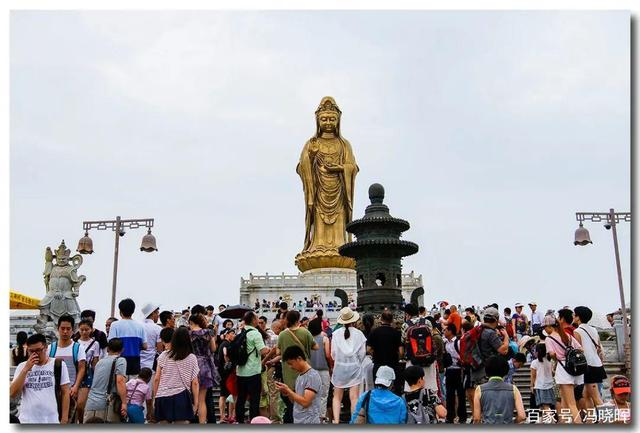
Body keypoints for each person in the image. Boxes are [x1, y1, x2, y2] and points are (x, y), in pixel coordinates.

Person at [10, 333, 70, 424]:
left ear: (45, 348)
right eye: (31, 351)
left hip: (51, 420)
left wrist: (64, 419)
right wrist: (26, 369)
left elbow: (65, 392)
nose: (35, 354)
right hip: (27, 420)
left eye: (38, 350)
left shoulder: (58, 364)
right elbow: (12, 393)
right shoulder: (22, 367)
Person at [276, 309, 318, 423]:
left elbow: (277, 352)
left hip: (288, 374)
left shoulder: (282, 334)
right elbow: (316, 347)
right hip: (304, 371)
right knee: (305, 402)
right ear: (298, 320)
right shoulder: (305, 332)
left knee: (290, 404)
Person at [153, 327, 200, 424]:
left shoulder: (163, 355)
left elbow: (157, 379)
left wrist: (155, 397)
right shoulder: (191, 357)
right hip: (181, 396)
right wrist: (196, 403)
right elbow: (195, 383)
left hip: (162, 396)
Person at [543, 314, 583, 424]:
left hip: (563, 369)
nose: (544, 330)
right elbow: (581, 349)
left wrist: (557, 357)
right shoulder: (567, 336)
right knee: (565, 401)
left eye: (545, 327)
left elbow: (552, 354)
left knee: (571, 404)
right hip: (574, 369)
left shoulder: (549, 338)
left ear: (550, 327)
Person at [331, 307, 366, 424]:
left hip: (339, 367)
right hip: (354, 367)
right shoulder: (359, 334)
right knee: (354, 397)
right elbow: (362, 354)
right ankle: (353, 421)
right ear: (353, 320)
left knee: (337, 396)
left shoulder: (335, 334)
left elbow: (333, 354)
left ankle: (336, 421)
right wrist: (356, 362)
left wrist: (339, 360)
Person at [50, 315, 86, 423]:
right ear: (58, 329)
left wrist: (75, 386)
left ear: (73, 330)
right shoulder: (50, 348)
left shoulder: (78, 348)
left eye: (68, 329)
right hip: (54, 392)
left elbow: (82, 368)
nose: (65, 332)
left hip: (71, 391)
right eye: (62, 328)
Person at [236, 311, 270, 424]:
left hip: (240, 372)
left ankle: (239, 421)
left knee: (241, 399)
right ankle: (253, 422)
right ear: (253, 320)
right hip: (253, 372)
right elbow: (263, 351)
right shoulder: (255, 334)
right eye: (256, 318)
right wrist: (271, 349)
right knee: (254, 400)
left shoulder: (240, 331)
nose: (258, 320)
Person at [84, 338, 128, 423]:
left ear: (108, 349)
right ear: (122, 350)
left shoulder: (99, 362)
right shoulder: (120, 360)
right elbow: (120, 381)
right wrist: (124, 403)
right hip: (106, 406)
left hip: (90, 403)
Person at [275, 345, 322, 424]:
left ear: (299, 358)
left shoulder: (312, 376)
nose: (290, 367)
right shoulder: (300, 376)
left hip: (309, 421)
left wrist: (289, 390)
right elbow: (295, 401)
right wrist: (287, 393)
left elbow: (305, 402)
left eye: (291, 363)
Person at [573, 306, 606, 416]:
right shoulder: (594, 330)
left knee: (597, 398)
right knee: (586, 395)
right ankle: (590, 420)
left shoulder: (577, 331)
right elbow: (597, 347)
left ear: (578, 317)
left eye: (574, 314)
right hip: (597, 364)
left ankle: (610, 422)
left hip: (588, 366)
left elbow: (578, 350)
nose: (573, 316)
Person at [472, 355, 525, 424]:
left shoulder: (479, 389)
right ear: (505, 370)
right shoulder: (513, 389)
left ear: (487, 370)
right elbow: (522, 416)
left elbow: (476, 418)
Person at [402, 303, 439, 395]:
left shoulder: (405, 325)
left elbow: (403, 342)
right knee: (430, 387)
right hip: (428, 360)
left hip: (413, 361)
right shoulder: (427, 322)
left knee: (412, 387)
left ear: (407, 314)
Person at [189, 311, 218, 423]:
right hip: (205, 366)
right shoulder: (208, 333)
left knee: (193, 398)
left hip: (192, 365)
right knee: (202, 400)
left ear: (191, 322)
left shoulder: (188, 334)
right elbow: (214, 349)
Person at [470, 307, 510, 388]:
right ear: (496, 319)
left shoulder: (479, 330)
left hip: (478, 370)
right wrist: (506, 336)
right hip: (488, 372)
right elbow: (503, 350)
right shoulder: (491, 333)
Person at [107, 298, 148, 376]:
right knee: (133, 386)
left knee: (119, 385)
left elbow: (111, 345)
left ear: (120, 311)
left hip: (119, 362)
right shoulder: (140, 326)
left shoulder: (115, 325)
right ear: (133, 311)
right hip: (135, 362)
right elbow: (145, 346)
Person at [366, 310, 403, 395]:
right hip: (393, 364)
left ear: (380, 319)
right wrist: (397, 358)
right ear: (392, 320)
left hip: (378, 364)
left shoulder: (374, 332)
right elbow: (401, 352)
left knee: (379, 389)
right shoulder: (396, 333)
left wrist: (375, 355)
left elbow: (368, 349)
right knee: (394, 389)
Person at [75, 318, 101, 423]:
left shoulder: (95, 344)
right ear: (78, 330)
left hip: (87, 374)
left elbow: (95, 362)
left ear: (91, 329)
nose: (84, 332)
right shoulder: (74, 343)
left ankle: (81, 422)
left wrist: (97, 378)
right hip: (74, 372)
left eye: (87, 329)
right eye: (82, 330)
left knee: (81, 404)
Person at [308, 317, 332, 423]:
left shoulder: (308, 340)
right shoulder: (324, 339)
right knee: (323, 394)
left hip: (311, 370)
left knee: (312, 394)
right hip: (323, 369)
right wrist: (331, 366)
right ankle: (321, 417)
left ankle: (313, 416)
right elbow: (327, 355)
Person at [443, 323, 466, 424]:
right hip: (449, 370)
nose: (444, 332)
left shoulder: (458, 342)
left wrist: (460, 360)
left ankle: (462, 416)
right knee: (449, 395)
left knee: (461, 395)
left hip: (459, 370)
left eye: (445, 330)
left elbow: (464, 355)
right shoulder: (445, 343)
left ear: (450, 331)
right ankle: (450, 416)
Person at [217, 329, 236, 423]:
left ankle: (224, 416)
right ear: (227, 335)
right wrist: (227, 361)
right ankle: (228, 416)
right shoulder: (226, 344)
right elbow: (225, 352)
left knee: (224, 395)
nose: (234, 335)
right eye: (232, 333)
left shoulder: (222, 344)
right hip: (226, 373)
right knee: (229, 394)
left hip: (222, 373)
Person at [530, 343, 555, 413]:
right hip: (550, 386)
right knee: (546, 406)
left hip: (540, 386)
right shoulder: (549, 361)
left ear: (537, 352)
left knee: (545, 406)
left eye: (535, 350)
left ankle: (550, 420)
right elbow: (552, 373)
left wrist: (531, 386)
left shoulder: (534, 362)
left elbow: (533, 376)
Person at [140, 302, 163, 374]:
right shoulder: (157, 328)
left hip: (138, 365)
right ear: (153, 313)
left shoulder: (139, 326)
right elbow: (160, 350)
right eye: (157, 313)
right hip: (151, 365)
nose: (158, 316)